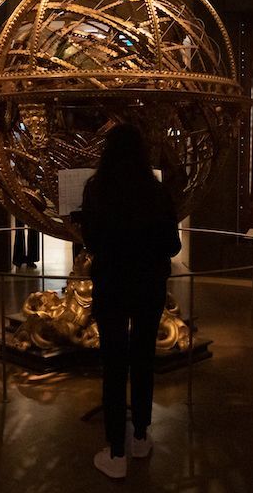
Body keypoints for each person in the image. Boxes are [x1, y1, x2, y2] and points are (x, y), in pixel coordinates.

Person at [80, 124, 182, 479]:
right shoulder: (156, 192)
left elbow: (91, 241)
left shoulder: (96, 189)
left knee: (113, 367)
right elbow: (173, 245)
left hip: (111, 285)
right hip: (148, 286)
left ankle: (116, 453)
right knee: (142, 361)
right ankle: (140, 436)